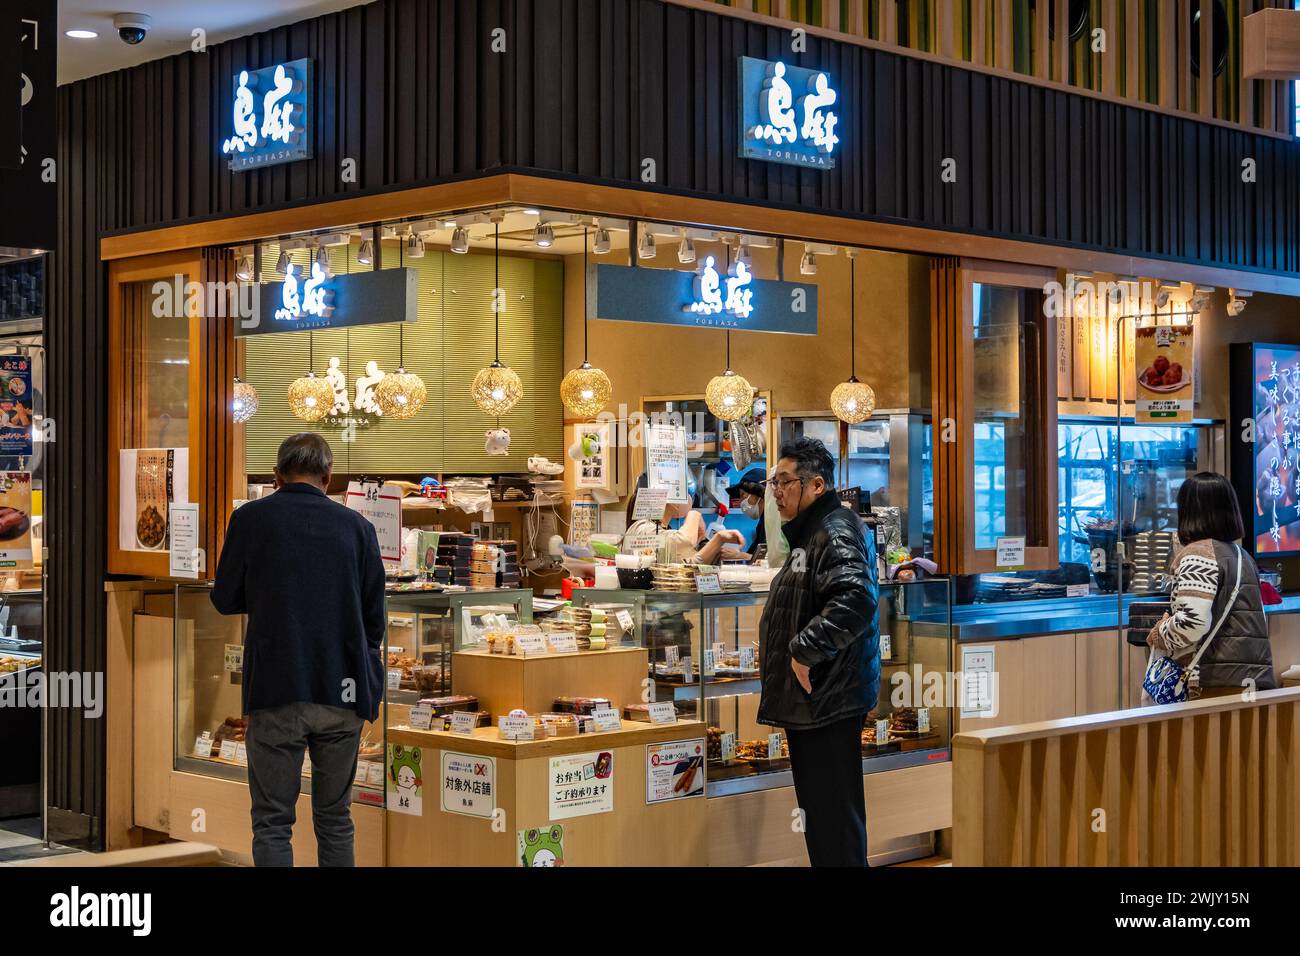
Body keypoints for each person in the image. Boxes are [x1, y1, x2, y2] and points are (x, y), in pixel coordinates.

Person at [211, 433, 386, 866]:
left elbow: (224, 598)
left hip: (276, 685)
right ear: (328, 477)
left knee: (272, 821)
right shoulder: (358, 528)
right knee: (335, 818)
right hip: (342, 691)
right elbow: (374, 622)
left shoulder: (251, 520)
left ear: (276, 476)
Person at [757, 437, 878, 867]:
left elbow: (856, 600)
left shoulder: (834, 529)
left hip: (828, 697)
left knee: (834, 822)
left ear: (816, 485)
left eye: (785, 482)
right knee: (825, 820)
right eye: (775, 482)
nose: (777, 491)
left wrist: (804, 651)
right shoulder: (812, 532)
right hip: (817, 700)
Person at [1146, 471, 1275, 701]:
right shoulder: (1240, 555)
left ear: (1190, 511)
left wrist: (1161, 632)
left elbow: (1193, 622)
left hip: (1214, 682)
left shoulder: (1199, 554)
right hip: (1251, 679)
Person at [622, 473, 745, 564]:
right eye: (686, 492)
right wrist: (694, 515)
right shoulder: (642, 528)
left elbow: (690, 564)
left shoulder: (662, 529)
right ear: (669, 499)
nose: (691, 498)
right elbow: (684, 540)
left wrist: (719, 539)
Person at [735, 470, 767, 557]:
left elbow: (768, 561)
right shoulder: (762, 523)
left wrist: (738, 556)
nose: (741, 502)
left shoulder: (771, 521)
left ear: (759, 492)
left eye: (743, 495)